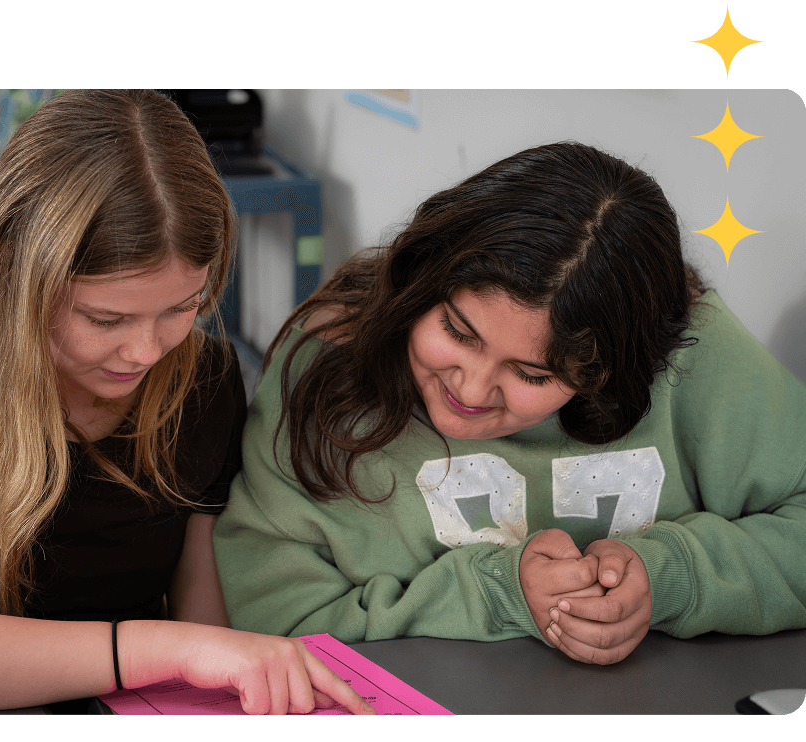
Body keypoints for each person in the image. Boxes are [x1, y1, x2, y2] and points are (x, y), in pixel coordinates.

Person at [0, 89, 375, 715]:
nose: (146, 352)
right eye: (105, 317)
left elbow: (208, 630)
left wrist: (219, 659)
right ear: (13, 269)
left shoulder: (203, 377)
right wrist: (164, 648)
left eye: (181, 307)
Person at [212, 141, 806, 666]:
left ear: (617, 370)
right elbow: (274, 623)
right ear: (421, 283)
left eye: (531, 373)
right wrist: (500, 594)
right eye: (456, 330)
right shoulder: (325, 361)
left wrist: (672, 576)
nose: (469, 391)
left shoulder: (694, 356)